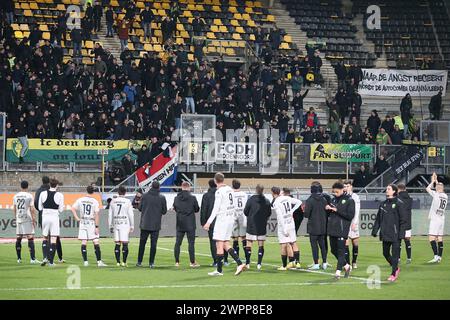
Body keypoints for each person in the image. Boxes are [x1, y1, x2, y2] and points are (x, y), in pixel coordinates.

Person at [203, 172, 246, 276]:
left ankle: (219, 270)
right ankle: (239, 263)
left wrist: (208, 222)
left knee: (219, 244)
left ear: (215, 180)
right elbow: (234, 205)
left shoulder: (219, 192)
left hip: (222, 220)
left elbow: (216, 209)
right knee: (226, 243)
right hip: (230, 219)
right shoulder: (230, 189)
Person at [372, 184, 407, 282]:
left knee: (395, 255)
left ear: (394, 191)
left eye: (388, 189)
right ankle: (395, 268)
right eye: (386, 189)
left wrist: (401, 234)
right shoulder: (383, 204)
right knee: (385, 253)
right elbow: (378, 219)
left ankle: (393, 274)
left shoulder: (399, 203)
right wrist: (375, 230)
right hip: (385, 233)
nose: (386, 190)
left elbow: (403, 220)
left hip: (396, 234)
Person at [71, 186, 107, 267]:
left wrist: (77, 218)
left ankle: (85, 262)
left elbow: (72, 208)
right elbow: (97, 214)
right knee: (95, 241)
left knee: (84, 241)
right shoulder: (94, 201)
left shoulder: (80, 199)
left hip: (83, 221)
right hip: (91, 222)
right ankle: (99, 262)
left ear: (86, 191)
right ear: (93, 192)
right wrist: (97, 226)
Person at [325, 182, 355, 280]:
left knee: (341, 251)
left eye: (337, 192)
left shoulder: (350, 200)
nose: (335, 193)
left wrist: (336, 210)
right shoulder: (333, 199)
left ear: (343, 190)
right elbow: (332, 212)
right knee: (333, 250)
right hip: (333, 228)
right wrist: (328, 209)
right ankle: (346, 266)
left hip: (342, 229)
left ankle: (337, 273)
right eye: (334, 192)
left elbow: (350, 216)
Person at [137, 181, 167, 268]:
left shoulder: (145, 196)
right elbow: (164, 211)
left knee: (142, 243)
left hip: (145, 223)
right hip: (155, 224)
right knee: (153, 245)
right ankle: (151, 263)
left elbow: (139, 208)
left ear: (151, 186)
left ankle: (139, 261)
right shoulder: (162, 197)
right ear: (159, 187)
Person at [271, 187, 302, 271]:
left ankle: (284, 266)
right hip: (291, 223)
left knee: (283, 245)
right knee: (294, 242)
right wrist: (292, 210)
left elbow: (280, 216)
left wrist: (284, 229)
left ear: (273, 193)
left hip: (283, 225)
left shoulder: (276, 202)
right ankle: (297, 262)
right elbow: (299, 202)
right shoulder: (287, 198)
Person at [243, 184, 272, 270]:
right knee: (261, 244)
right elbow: (269, 213)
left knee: (249, 243)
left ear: (256, 190)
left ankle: (248, 263)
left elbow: (245, 211)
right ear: (263, 190)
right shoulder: (266, 200)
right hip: (262, 224)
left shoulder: (251, 199)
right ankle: (259, 263)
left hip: (251, 224)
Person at [173, 182, 200, 267]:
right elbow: (197, 209)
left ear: (182, 187)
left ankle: (177, 262)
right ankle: (192, 262)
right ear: (189, 187)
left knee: (178, 243)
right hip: (190, 223)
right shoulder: (193, 198)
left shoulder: (176, 198)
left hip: (180, 223)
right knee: (191, 243)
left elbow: (175, 208)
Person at [303, 181, 329, 270]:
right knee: (323, 245)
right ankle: (325, 262)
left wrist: (304, 211)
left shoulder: (310, 200)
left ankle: (316, 263)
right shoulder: (324, 199)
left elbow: (306, 214)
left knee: (314, 246)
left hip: (313, 226)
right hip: (322, 226)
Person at [39, 178, 64, 267]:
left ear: (49, 185)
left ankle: (45, 257)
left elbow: (40, 207)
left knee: (45, 238)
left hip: (45, 217)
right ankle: (51, 262)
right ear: (57, 186)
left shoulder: (42, 193)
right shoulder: (60, 195)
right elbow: (61, 209)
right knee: (53, 239)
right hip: (54, 217)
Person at [13, 181, 38, 264]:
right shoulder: (29, 196)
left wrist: (15, 217)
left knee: (18, 237)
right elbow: (32, 209)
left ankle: (19, 259)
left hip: (19, 218)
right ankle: (32, 259)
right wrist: (34, 219)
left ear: (20, 186)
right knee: (30, 237)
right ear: (27, 187)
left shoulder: (15, 196)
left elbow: (14, 208)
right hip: (27, 217)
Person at [108, 186, 134, 267]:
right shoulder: (127, 201)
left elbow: (110, 215)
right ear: (125, 192)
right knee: (125, 243)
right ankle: (124, 262)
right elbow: (131, 214)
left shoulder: (113, 201)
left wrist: (110, 225)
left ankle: (118, 262)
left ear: (118, 192)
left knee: (117, 243)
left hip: (116, 223)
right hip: (125, 223)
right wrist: (132, 225)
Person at [426, 172, 447, 263]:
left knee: (431, 238)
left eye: (437, 186)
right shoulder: (445, 196)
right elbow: (438, 188)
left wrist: (433, 181)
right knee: (440, 238)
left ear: (439, 188)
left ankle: (435, 256)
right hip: (442, 218)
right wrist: (436, 181)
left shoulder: (436, 194)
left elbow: (427, 188)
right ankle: (440, 257)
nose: (437, 187)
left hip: (435, 219)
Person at [200, 179, 218, 266]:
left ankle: (216, 261)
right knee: (223, 240)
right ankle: (225, 260)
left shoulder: (206, 196)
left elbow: (203, 210)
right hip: (221, 221)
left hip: (210, 222)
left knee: (213, 242)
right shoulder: (220, 194)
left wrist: (203, 222)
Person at [343, 180, 361, 269]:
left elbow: (357, 210)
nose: (345, 188)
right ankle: (348, 263)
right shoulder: (343, 197)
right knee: (346, 242)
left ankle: (354, 261)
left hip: (353, 223)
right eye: (344, 186)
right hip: (345, 222)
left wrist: (354, 222)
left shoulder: (355, 197)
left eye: (347, 186)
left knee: (355, 243)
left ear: (351, 187)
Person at [231, 180, 248, 264]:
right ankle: (247, 257)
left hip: (233, 216)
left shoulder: (231, 194)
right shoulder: (244, 194)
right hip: (243, 216)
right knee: (244, 238)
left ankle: (236, 258)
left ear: (232, 185)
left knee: (235, 238)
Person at [397, 183, 413, 264]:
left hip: (400, 222)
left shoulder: (397, 198)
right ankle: (409, 258)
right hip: (408, 222)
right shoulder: (410, 199)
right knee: (407, 240)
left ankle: (398, 258)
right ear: (405, 189)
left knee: (398, 241)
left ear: (398, 189)